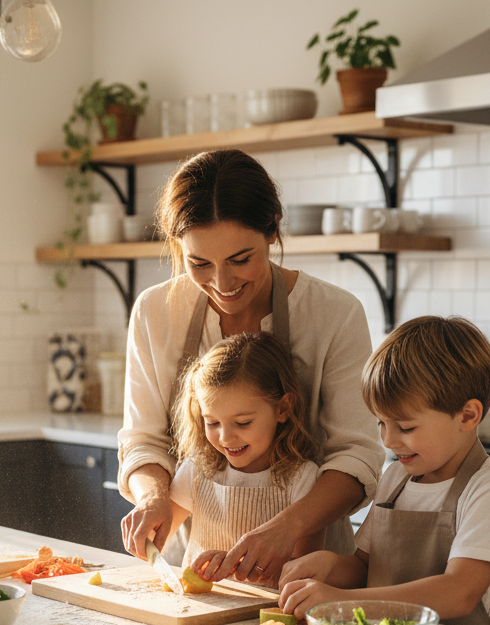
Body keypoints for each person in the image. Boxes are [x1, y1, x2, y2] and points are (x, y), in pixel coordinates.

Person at [118, 149, 384, 586]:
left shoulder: (335, 313)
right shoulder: (155, 312)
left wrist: (289, 526)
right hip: (206, 580)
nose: (222, 284)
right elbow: (144, 440)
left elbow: (357, 457)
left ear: (274, 229)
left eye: (241, 259)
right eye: (199, 263)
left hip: (309, 580)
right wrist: (153, 498)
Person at [278, 315, 490, 625]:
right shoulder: (396, 479)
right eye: (381, 423)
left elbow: (459, 592)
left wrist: (345, 602)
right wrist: (329, 565)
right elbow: (365, 567)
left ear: (467, 416)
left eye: (406, 427)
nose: (388, 440)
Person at [147, 331, 325, 569]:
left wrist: (235, 565)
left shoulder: (302, 479)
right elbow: (158, 537)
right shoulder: (197, 470)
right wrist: (145, 530)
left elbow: (303, 570)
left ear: (282, 409)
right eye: (212, 423)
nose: (225, 437)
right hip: (199, 606)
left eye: (242, 423)